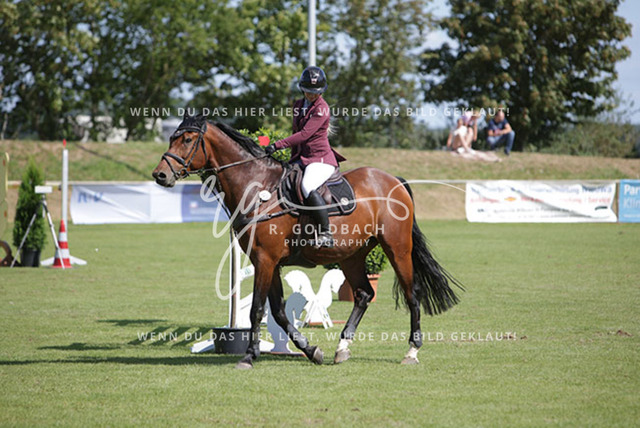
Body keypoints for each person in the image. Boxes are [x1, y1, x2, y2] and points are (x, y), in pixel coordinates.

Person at [265, 66, 346, 248]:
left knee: (307, 186)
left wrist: (277, 145)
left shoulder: (322, 109)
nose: (312, 95)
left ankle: (326, 233)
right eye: (308, 91)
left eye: (316, 92)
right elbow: (295, 131)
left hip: (320, 159)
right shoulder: (298, 105)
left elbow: (304, 135)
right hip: (302, 157)